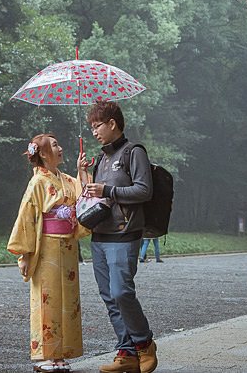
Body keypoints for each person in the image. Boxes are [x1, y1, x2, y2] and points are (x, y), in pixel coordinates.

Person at [83, 100, 158, 373]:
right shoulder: (101, 159)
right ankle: (126, 352)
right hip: (100, 236)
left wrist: (108, 191)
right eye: (91, 127)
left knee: (121, 292)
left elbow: (143, 191)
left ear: (112, 123)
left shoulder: (133, 152)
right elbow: (95, 196)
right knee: (108, 296)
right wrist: (86, 178)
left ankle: (144, 343)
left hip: (124, 234)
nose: (94, 132)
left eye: (97, 126)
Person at [8, 133, 91, 373]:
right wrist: (24, 254)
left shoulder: (64, 179)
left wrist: (81, 171)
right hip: (47, 247)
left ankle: (62, 353)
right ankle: (45, 355)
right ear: (43, 153)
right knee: (48, 300)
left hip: (67, 248)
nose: (61, 148)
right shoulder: (38, 182)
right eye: (55, 145)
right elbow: (27, 217)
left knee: (68, 300)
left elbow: (83, 196)